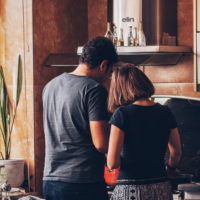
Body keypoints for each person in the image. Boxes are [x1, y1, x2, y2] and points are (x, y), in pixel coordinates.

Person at [42, 36, 118, 200]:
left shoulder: (50, 86)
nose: (107, 79)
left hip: (50, 180)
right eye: (110, 73)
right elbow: (102, 144)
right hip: (82, 183)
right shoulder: (94, 90)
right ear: (104, 65)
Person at [107, 64, 182, 200]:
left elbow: (112, 163)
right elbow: (176, 152)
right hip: (161, 187)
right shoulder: (165, 111)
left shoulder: (122, 114)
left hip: (130, 190)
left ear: (119, 88)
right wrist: (170, 169)